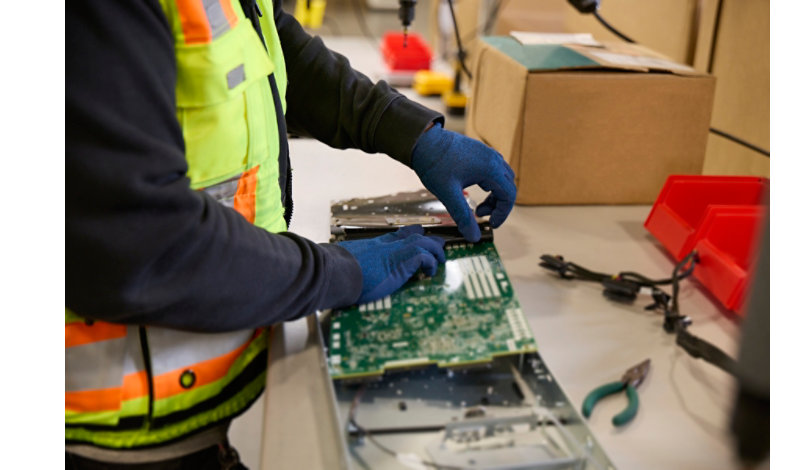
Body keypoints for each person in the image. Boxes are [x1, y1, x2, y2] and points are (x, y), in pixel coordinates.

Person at [66, 0, 516, 468]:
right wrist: (335, 272)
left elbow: (271, 52)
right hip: (96, 427)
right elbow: (144, 243)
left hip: (188, 409)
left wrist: (408, 131)